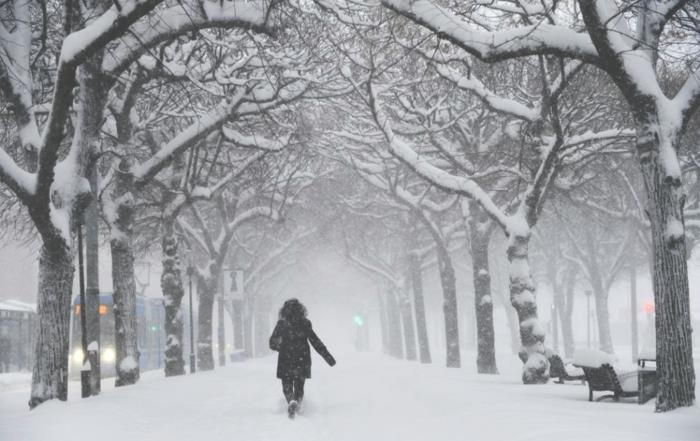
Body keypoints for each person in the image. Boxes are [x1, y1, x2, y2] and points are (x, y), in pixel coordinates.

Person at [269, 298, 336, 418]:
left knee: (287, 385)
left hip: (286, 360)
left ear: (284, 311)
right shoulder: (305, 323)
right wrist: (328, 357)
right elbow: (315, 341)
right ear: (301, 309)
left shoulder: (282, 324)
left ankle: (290, 401)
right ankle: (297, 404)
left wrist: (282, 348)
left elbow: (272, 343)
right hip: (302, 359)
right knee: (299, 386)